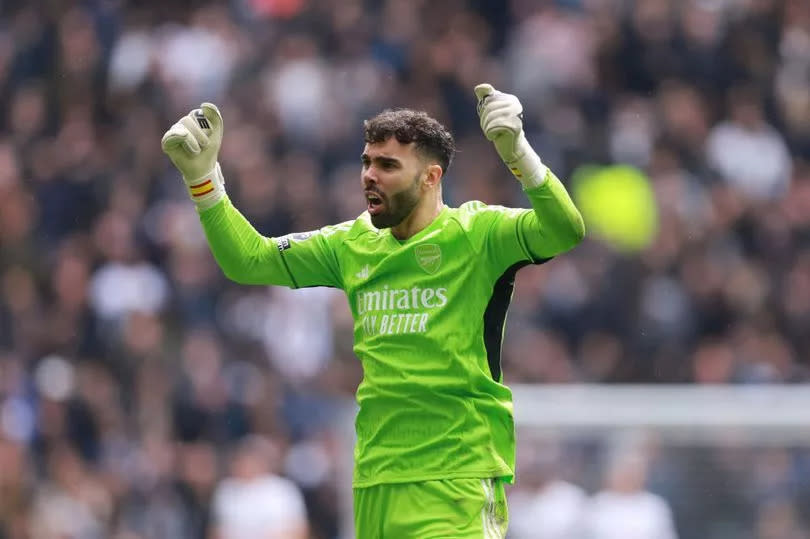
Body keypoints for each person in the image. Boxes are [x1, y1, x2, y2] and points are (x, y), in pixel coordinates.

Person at [161, 83, 585, 538]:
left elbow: (564, 230)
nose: (369, 175)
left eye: (387, 165)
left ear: (430, 177)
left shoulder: (478, 233)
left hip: (455, 478)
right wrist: (204, 182)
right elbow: (250, 260)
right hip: (375, 480)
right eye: (366, 162)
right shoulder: (352, 243)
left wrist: (519, 153)